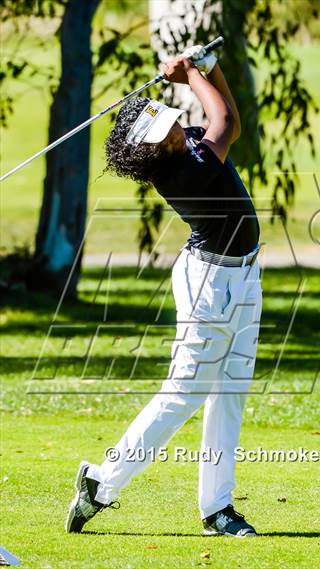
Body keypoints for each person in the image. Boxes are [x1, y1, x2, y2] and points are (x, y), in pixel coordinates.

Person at [65, 45, 262, 538]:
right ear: (153, 149)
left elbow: (228, 114)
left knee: (230, 391)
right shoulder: (181, 172)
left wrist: (210, 69)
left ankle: (217, 508)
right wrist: (192, 73)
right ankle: (100, 484)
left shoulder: (186, 145)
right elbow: (226, 123)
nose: (175, 125)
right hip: (210, 284)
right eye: (164, 129)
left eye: (168, 121)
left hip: (242, 274)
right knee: (186, 392)